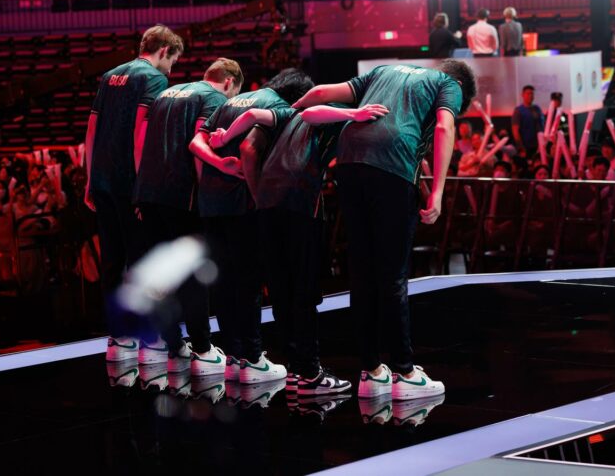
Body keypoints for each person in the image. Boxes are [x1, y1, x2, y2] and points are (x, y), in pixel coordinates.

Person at [291, 59, 477, 401]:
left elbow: (318, 93)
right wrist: (437, 192)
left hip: (348, 164)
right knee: (392, 276)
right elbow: (442, 130)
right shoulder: (447, 85)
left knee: (362, 273)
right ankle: (405, 372)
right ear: (461, 90)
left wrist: (287, 111)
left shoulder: (384, 71)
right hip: (391, 167)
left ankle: (371, 371)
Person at [212, 100, 389, 395]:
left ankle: (297, 369)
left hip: (267, 202)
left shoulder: (283, 114)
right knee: (303, 293)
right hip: (299, 203)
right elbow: (310, 113)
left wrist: (225, 137)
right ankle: (309, 375)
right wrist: (354, 114)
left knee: (282, 291)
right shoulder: (332, 114)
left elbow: (253, 114)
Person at [189, 68, 314, 385]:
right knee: (248, 283)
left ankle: (232, 357)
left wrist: (219, 166)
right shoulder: (280, 108)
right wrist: (259, 200)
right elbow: (248, 150)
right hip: (241, 202)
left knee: (224, 284)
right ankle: (253, 359)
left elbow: (196, 142)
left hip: (210, 203)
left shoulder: (231, 101)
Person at [132, 58, 243, 375]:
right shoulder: (214, 98)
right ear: (228, 82)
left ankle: (171, 345)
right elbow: (200, 143)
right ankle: (204, 349)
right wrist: (205, 193)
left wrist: (140, 186)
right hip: (182, 195)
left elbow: (139, 141)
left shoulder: (167, 92)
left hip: (148, 193)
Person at [85, 24, 184, 363]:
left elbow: (92, 129)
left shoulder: (110, 75)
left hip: (101, 180)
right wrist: (143, 185)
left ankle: (118, 338)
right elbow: (141, 134)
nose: (172, 69)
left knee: (112, 261)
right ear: (164, 51)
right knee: (142, 262)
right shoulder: (153, 79)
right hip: (129, 183)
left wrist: (89, 179)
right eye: (173, 61)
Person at [511, 85, 544, 157]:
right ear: (522, 95)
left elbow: (541, 126)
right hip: (526, 146)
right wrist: (521, 147)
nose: (530, 96)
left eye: (532, 94)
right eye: (528, 93)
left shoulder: (537, 109)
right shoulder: (518, 110)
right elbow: (515, 131)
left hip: (539, 145)